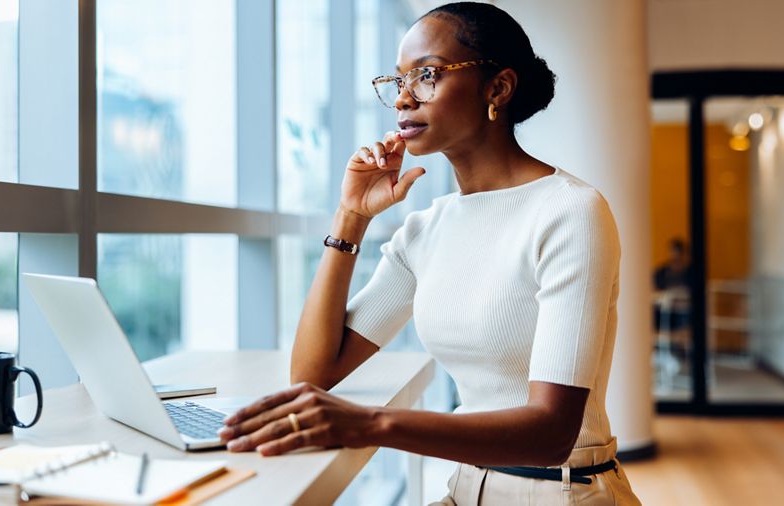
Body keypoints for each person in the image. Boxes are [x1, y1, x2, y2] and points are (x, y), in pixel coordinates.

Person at [218, 3, 641, 504]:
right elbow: (314, 373)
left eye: (426, 75)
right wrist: (351, 217)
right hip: (466, 488)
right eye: (397, 80)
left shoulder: (571, 212)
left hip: (562, 491)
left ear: (498, 89)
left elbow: (551, 434)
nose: (402, 98)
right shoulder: (426, 229)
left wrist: (370, 424)